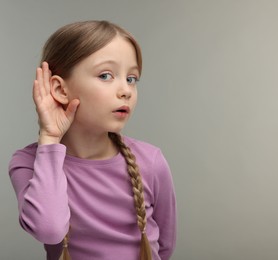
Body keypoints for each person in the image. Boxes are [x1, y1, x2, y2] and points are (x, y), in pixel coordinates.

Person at [9, 20, 176, 260]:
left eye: (131, 78)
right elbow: (50, 229)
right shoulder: (27, 162)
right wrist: (50, 138)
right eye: (106, 75)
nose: (126, 90)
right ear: (60, 90)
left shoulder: (151, 162)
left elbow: (165, 245)